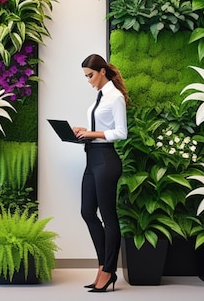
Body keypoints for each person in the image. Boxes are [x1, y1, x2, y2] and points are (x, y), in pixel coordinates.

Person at [73, 54, 129, 293]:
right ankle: (103, 265)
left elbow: (121, 132)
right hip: (92, 159)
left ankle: (108, 271)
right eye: (86, 76)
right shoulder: (100, 97)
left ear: (102, 71)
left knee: (108, 216)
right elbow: (101, 128)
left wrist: (92, 135)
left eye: (91, 75)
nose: (89, 80)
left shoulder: (115, 97)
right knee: (87, 211)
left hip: (106, 160)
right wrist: (84, 131)